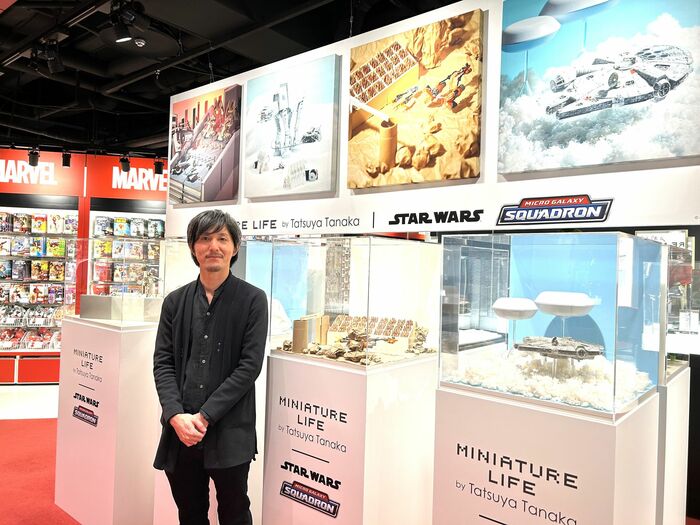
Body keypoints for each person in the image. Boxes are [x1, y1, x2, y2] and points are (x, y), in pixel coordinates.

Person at [153, 209, 268, 525]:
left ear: (235, 247)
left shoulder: (253, 300)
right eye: (204, 239)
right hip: (181, 430)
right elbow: (163, 362)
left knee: (234, 513)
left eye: (222, 238)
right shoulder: (175, 302)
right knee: (190, 513)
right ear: (193, 247)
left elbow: (249, 367)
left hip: (230, 430)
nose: (213, 246)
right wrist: (175, 415)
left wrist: (204, 416)